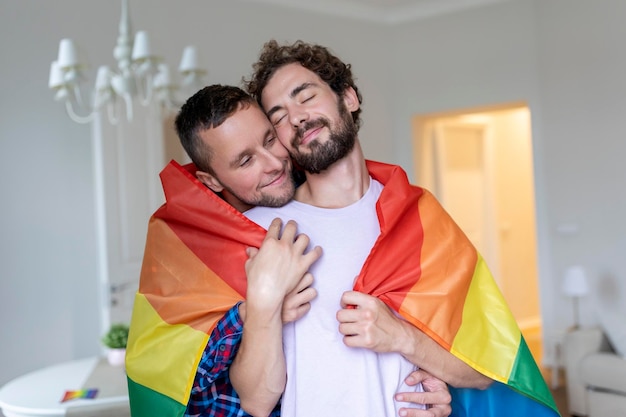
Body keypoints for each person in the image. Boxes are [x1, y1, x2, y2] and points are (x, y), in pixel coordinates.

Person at [235, 40, 561, 417]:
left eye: (305, 96)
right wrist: (264, 308)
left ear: (349, 97)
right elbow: (255, 401)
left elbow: (484, 370)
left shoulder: (419, 217)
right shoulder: (265, 232)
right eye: (278, 116)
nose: (296, 118)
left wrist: (402, 337)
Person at [125, 85, 453, 417]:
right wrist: (256, 311)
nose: (273, 163)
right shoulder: (187, 245)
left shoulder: (350, 202)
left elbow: (431, 329)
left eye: (269, 139)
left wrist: (430, 387)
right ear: (211, 181)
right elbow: (188, 385)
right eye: (246, 160)